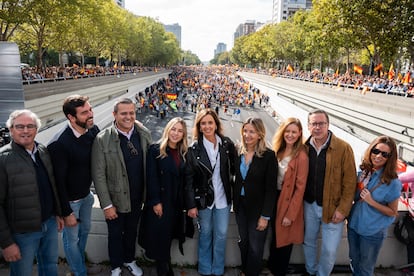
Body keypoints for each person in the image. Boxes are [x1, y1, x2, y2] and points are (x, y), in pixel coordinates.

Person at [91, 98, 152, 276]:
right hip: (115, 200)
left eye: (131, 113)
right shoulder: (102, 139)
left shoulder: (143, 133)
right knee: (115, 234)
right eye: (123, 113)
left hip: (137, 197)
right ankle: (115, 266)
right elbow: (98, 174)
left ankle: (129, 260)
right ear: (114, 115)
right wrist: (107, 205)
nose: (128, 116)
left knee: (132, 232)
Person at [0, 109, 63, 275]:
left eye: (30, 126)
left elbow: (50, 185)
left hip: (49, 224)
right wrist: (6, 243)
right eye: (20, 126)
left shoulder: (42, 150)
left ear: (37, 129)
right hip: (22, 233)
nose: (26, 131)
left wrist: (57, 213)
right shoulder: (3, 158)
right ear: (11, 129)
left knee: (50, 266)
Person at [47, 95, 99, 276]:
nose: (90, 114)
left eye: (90, 109)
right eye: (85, 112)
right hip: (71, 203)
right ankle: (79, 272)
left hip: (86, 197)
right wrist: (66, 211)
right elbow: (57, 182)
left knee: (84, 233)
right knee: (71, 240)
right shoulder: (59, 144)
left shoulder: (92, 131)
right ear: (71, 117)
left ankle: (78, 264)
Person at [303, 109, 357, 276]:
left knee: (330, 250)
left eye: (321, 123)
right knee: (308, 242)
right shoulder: (304, 148)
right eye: (314, 124)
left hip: (333, 208)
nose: (317, 127)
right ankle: (311, 271)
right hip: (309, 205)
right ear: (308, 126)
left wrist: (343, 209)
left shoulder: (343, 148)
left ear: (328, 125)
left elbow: (350, 183)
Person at [185, 108, 235, 276]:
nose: (207, 126)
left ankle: (218, 269)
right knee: (205, 234)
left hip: (223, 199)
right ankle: (205, 269)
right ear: (199, 127)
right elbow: (189, 180)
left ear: (216, 124)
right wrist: (191, 205)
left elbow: (235, 170)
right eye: (203, 123)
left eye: (210, 123)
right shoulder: (193, 149)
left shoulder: (226, 144)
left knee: (221, 234)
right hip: (203, 200)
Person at [139, 117, 188, 276]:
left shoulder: (184, 152)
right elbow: (151, 178)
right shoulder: (155, 149)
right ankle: (163, 268)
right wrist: (156, 202)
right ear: (168, 129)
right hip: (161, 201)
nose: (176, 133)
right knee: (160, 236)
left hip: (176, 203)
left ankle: (166, 264)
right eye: (173, 129)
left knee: (168, 235)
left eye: (180, 131)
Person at [347, 136, 401, 276]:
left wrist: (372, 202)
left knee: (365, 268)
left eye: (384, 154)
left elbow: (393, 212)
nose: (378, 156)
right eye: (376, 151)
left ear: (390, 157)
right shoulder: (363, 172)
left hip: (372, 231)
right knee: (354, 261)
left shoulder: (392, 182)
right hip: (354, 226)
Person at [232, 117, 278, 276]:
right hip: (240, 206)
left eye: (252, 131)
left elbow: (271, 189)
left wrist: (265, 216)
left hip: (258, 209)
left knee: (256, 246)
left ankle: (251, 272)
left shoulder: (269, 156)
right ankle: (245, 271)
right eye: (245, 131)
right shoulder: (238, 151)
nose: (247, 135)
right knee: (243, 242)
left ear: (260, 134)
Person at [268, 118, 309, 276]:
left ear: (299, 134)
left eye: (294, 132)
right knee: (275, 235)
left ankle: (279, 271)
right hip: (275, 197)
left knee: (284, 240)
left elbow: (300, 189)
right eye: (287, 131)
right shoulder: (279, 149)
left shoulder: (302, 156)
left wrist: (290, 215)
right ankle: (273, 268)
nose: (290, 135)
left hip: (288, 200)